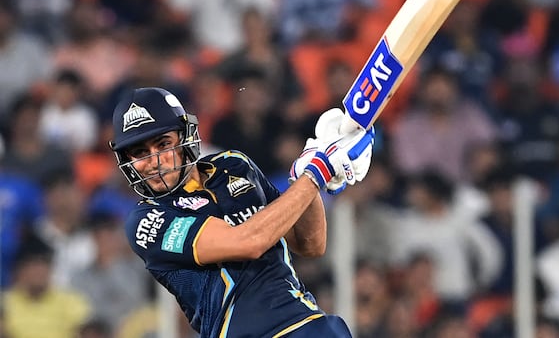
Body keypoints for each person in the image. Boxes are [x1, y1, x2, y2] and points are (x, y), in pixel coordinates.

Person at [110, 87, 374, 337]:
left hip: (308, 322)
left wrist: (304, 171)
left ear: (186, 136)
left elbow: (311, 244)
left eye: (163, 144)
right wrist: (316, 173)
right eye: (140, 152)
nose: (155, 161)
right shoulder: (147, 221)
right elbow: (249, 242)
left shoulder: (234, 164)